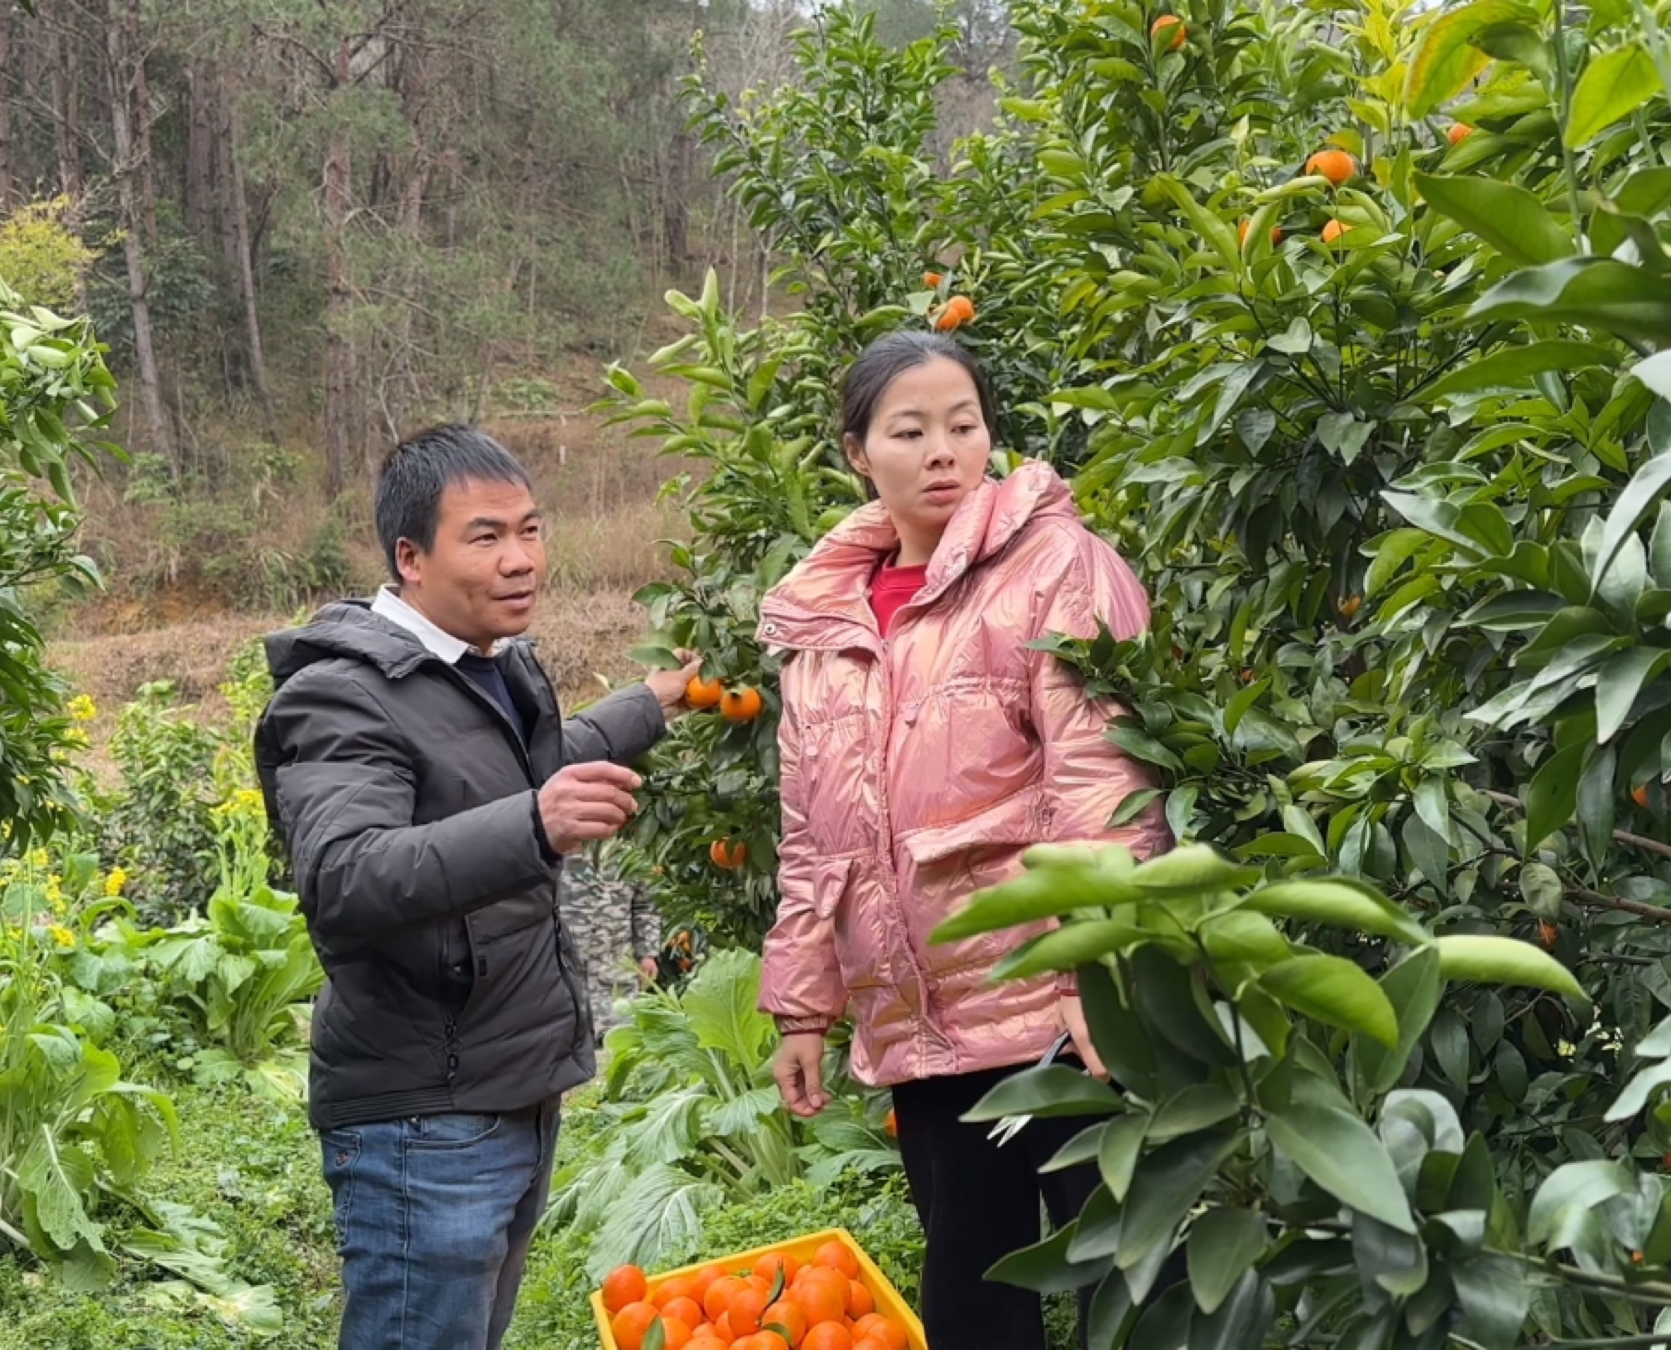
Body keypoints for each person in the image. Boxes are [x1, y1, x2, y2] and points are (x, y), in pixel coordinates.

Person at [758, 331, 1169, 1348]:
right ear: (858, 452)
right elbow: (814, 833)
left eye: (963, 424)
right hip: (924, 1020)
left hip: (1053, 1007)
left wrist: (1100, 986)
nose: (942, 450)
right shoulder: (825, 620)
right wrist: (802, 1007)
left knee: (1126, 1285)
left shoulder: (1056, 568)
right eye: (910, 430)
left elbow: (1103, 788)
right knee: (974, 1297)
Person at [253, 424, 700, 1350]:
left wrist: (644, 706)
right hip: (425, 1110)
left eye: (531, 530)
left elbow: (514, 776)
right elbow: (345, 873)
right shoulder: (342, 696)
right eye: (487, 536)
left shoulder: (487, 665)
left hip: (507, 1082)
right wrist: (535, 824)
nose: (521, 560)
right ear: (411, 558)